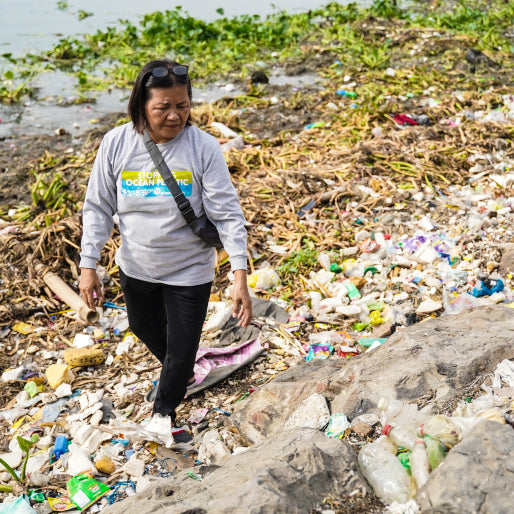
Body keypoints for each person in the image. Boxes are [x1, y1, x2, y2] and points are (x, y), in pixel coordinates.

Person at [79, 58, 252, 426]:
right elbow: (97, 206)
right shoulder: (116, 143)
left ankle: (164, 411)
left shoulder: (203, 148)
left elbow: (227, 213)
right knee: (142, 327)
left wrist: (239, 274)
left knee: (181, 348)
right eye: (163, 108)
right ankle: (183, 367)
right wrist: (87, 265)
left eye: (183, 106)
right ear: (141, 106)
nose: (175, 116)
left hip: (190, 268)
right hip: (137, 264)